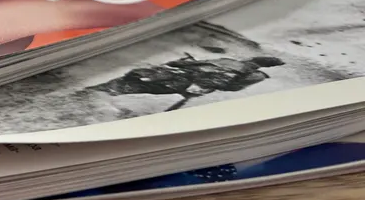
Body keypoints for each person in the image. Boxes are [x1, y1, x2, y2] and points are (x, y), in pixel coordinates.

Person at [87, 53, 285, 111]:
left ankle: (95, 93)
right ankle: (97, 95)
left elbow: (206, 70)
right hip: (178, 81)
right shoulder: (243, 70)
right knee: (138, 83)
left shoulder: (233, 63)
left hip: (175, 76)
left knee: (132, 81)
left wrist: (180, 65)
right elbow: (221, 81)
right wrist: (197, 86)